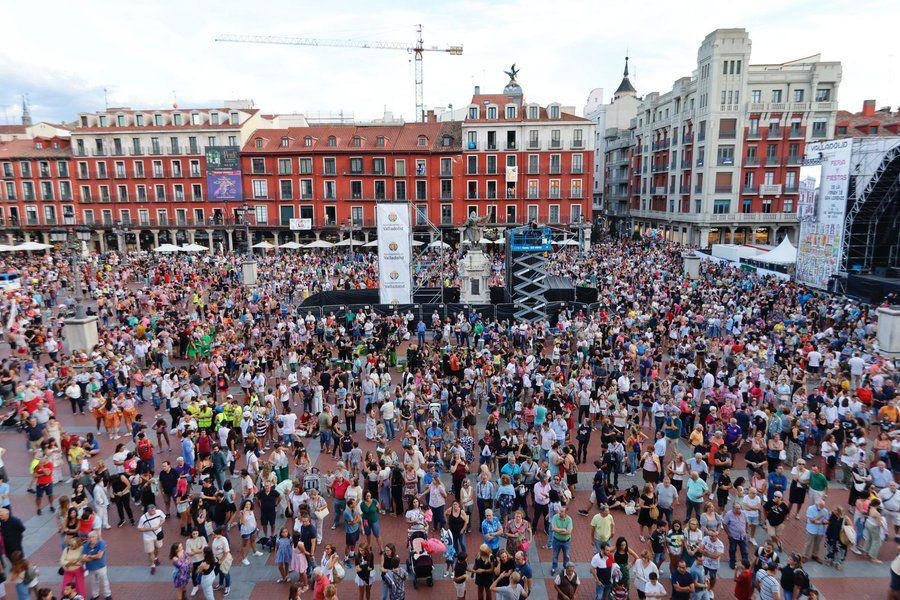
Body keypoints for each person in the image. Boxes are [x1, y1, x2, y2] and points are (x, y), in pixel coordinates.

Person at [137, 503, 166, 574]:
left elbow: (163, 519)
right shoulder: (143, 518)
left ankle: (155, 558)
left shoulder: (159, 512)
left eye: (154, 509)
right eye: (152, 510)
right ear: (148, 511)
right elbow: (139, 529)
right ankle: (152, 565)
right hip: (148, 537)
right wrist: (151, 529)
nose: (154, 511)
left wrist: (159, 525)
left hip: (158, 535)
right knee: (150, 552)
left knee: (157, 548)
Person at [82, 530, 111, 600]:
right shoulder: (86, 545)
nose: (91, 539)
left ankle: (108, 595)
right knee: (93, 582)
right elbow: (83, 558)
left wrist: (89, 556)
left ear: (97, 537)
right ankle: (95, 595)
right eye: (89, 538)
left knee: (104, 582)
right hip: (91, 568)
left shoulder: (101, 543)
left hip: (101, 567)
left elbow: (99, 556)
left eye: (93, 537)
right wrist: (94, 557)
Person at [722, 503, 750, 570]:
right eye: (736, 508)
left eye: (739, 508)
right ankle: (732, 563)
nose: (738, 510)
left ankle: (745, 565)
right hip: (733, 536)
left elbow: (747, 522)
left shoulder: (744, 513)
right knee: (732, 550)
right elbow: (724, 524)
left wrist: (746, 531)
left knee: (744, 551)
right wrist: (728, 534)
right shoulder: (729, 514)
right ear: (733, 508)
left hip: (742, 536)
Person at [802, 498, 829, 562]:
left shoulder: (825, 510)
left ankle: (814, 555)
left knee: (817, 544)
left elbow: (827, 520)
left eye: (823, 506)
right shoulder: (810, 509)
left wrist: (825, 521)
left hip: (820, 530)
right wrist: (821, 520)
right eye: (821, 506)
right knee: (808, 543)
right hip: (811, 529)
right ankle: (804, 556)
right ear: (817, 504)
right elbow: (811, 521)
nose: (822, 508)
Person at [549, 505, 573, 574]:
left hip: (566, 542)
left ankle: (565, 568)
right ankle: (554, 567)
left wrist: (558, 530)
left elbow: (569, 532)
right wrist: (563, 530)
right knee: (555, 555)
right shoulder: (555, 517)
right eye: (560, 510)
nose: (559, 512)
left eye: (562, 511)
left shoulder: (569, 519)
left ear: (566, 513)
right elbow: (553, 529)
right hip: (556, 540)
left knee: (566, 556)